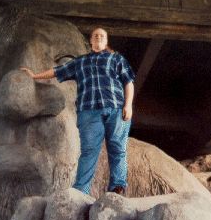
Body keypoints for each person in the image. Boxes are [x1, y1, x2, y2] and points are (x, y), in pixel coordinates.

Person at [21, 28, 135, 195]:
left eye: (102, 35)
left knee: (118, 148)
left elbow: (128, 82)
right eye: (95, 35)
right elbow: (57, 71)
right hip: (89, 112)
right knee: (89, 151)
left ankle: (117, 188)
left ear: (106, 40)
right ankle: (80, 192)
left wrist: (128, 105)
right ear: (91, 40)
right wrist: (34, 76)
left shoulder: (117, 59)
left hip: (116, 109)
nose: (98, 36)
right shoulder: (80, 62)